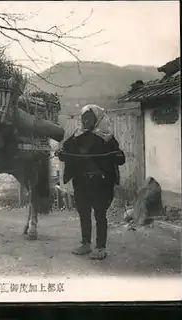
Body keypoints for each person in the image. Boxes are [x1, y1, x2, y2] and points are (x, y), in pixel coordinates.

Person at [56, 104, 125, 260]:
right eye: (84, 118)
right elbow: (65, 152)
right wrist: (61, 153)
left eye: (90, 117)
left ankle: (100, 248)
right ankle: (86, 244)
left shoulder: (107, 137)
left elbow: (120, 158)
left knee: (100, 215)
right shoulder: (76, 137)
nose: (86, 121)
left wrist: (117, 156)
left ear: (97, 118)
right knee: (84, 214)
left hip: (100, 183)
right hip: (81, 182)